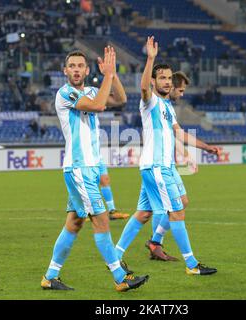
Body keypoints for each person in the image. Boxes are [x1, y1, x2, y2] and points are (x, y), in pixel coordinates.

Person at [41, 48, 148, 292]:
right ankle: (121, 277)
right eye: (72, 66)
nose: (77, 70)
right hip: (78, 168)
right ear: (65, 71)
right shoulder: (65, 93)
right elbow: (100, 106)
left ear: (87, 70)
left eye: (81, 66)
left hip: (88, 169)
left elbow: (120, 99)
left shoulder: (89, 90)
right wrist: (107, 76)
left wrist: (113, 74)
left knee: (75, 223)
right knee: (101, 221)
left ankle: (50, 276)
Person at [114, 37, 219, 276]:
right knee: (176, 212)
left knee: (147, 212)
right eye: (162, 77)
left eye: (169, 78)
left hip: (163, 167)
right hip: (157, 167)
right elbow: (142, 88)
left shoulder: (168, 107)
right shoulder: (149, 102)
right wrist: (150, 58)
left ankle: (115, 255)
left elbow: (180, 134)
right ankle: (192, 264)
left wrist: (206, 147)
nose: (167, 81)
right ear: (154, 81)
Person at [144, 71, 199, 261]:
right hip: (156, 165)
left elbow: (174, 135)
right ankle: (185, 260)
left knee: (181, 203)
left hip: (167, 165)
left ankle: (155, 242)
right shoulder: (155, 104)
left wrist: (186, 154)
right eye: (180, 90)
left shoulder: (168, 108)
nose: (182, 94)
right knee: (157, 211)